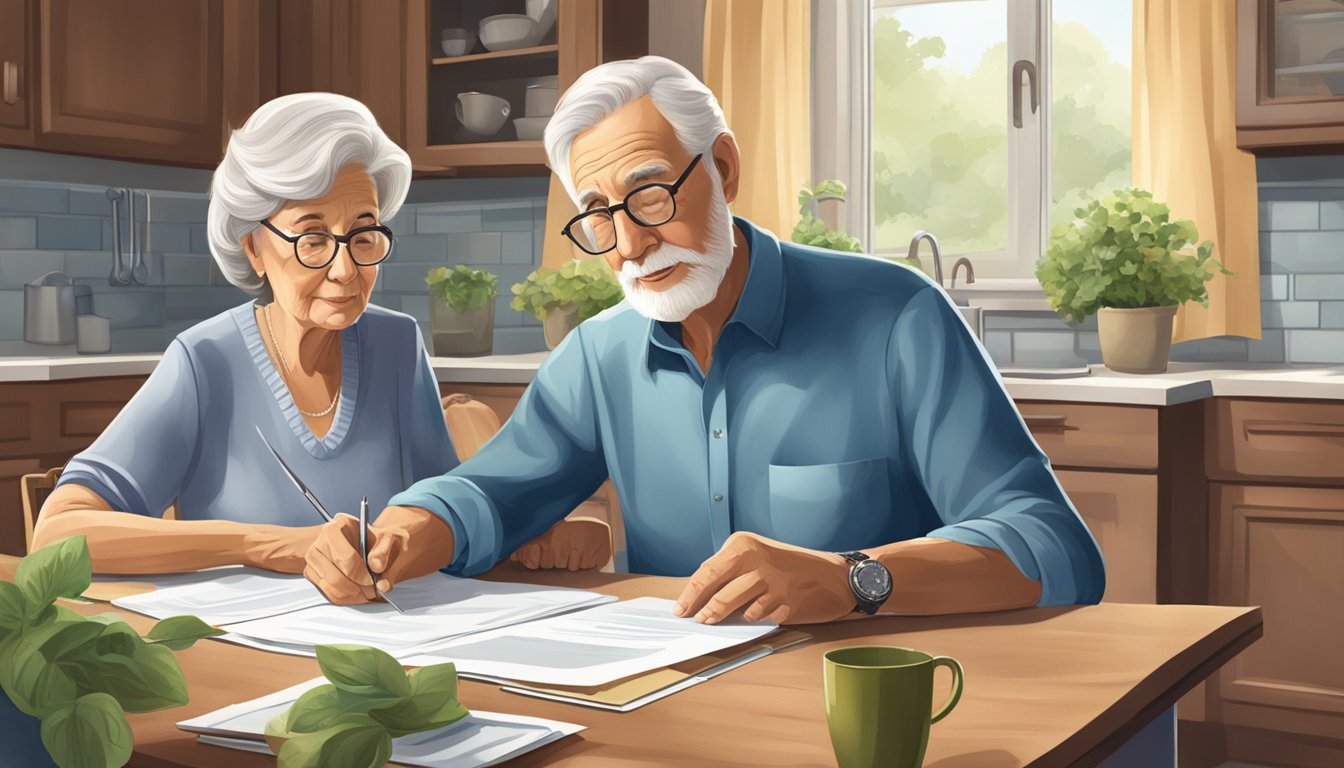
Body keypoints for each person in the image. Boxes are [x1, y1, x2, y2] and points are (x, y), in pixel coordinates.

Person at [363, 56, 1106, 625]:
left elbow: (1054, 546)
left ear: (723, 168)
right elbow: (490, 492)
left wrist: (853, 579)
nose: (628, 244)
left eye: (649, 194)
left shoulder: (896, 317)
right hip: (680, 711)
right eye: (598, 214)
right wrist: (406, 529)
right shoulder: (599, 355)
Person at [34, 93, 485, 602]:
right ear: (254, 248)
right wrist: (270, 545)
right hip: (238, 656)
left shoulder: (397, 345)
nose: (345, 270)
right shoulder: (205, 361)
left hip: (394, 644)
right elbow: (58, 534)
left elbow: (451, 514)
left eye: (363, 236)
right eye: (312, 239)